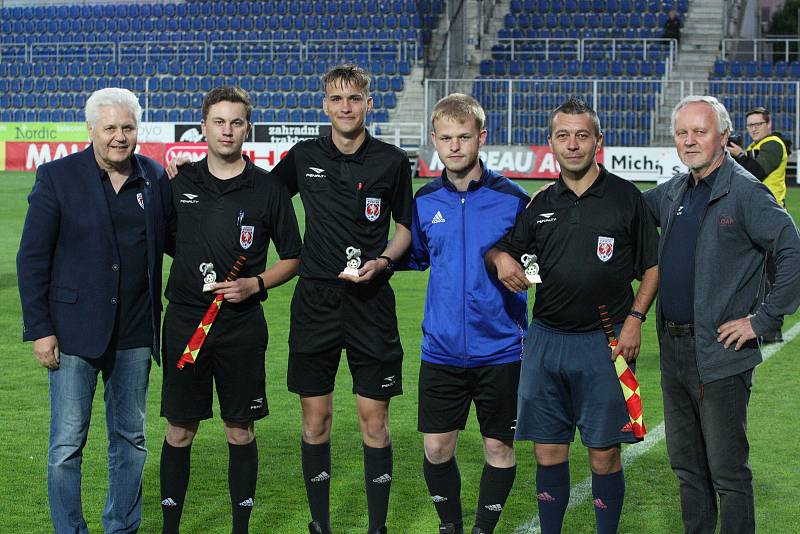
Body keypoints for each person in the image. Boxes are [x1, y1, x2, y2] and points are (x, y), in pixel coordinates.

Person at [485, 97, 660, 534]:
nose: (573, 144)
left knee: (605, 451)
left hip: (608, 340)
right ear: (551, 144)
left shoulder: (625, 197)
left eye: (582, 135)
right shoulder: (542, 201)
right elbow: (506, 249)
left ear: (598, 141)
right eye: (563, 135)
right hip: (546, 340)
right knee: (548, 450)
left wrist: (636, 318)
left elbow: (652, 268)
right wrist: (499, 259)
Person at [17, 88, 173, 534]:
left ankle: (121, 527)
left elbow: (176, 241)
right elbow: (32, 259)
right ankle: (70, 529)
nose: (119, 137)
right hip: (72, 332)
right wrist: (41, 329)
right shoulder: (57, 177)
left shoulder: (155, 177)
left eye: (127, 128)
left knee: (131, 441)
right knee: (66, 444)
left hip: (135, 334)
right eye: (110, 128)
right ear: (91, 129)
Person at [643, 95, 800, 534]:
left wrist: (762, 320)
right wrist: (569, 187)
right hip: (673, 349)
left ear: (723, 136)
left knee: (727, 472)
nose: (689, 141)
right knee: (687, 467)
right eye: (682, 133)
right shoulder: (676, 189)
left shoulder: (747, 192)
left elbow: (793, 252)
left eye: (700, 132)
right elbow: (627, 206)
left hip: (720, 353)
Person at [270, 64, 412, 534]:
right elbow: (261, 198)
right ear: (325, 104)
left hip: (371, 301)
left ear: (369, 103)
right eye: (336, 98)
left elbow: (405, 229)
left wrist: (385, 263)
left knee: (374, 422)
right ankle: (321, 525)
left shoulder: (391, 161)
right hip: (315, 300)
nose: (345, 107)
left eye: (354, 98)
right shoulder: (302, 156)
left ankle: (377, 528)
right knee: (316, 421)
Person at [159, 86, 301, 534]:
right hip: (185, 322)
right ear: (202, 126)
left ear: (248, 128)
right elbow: (162, 243)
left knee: (239, 429)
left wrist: (255, 283)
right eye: (218, 121)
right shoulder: (178, 184)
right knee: (180, 430)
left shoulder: (268, 188)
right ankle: (170, 527)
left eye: (236, 122)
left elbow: (294, 257)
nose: (227, 130)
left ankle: (241, 528)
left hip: (241, 326)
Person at [406, 94, 529, 534]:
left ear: (481, 137)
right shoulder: (423, 201)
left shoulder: (514, 200)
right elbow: (413, 255)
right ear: (434, 141)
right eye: (445, 138)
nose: (454, 146)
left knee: (499, 448)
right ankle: (451, 526)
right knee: (437, 449)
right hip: (440, 349)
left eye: (463, 137)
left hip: (499, 348)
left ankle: (483, 529)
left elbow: (534, 267)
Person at [727, 106, 791, 206]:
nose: (754, 128)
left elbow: (756, 172)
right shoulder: (753, 146)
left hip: (771, 208)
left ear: (769, 124)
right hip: (758, 205)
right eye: (750, 125)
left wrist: (739, 155)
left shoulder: (773, 144)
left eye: (758, 124)